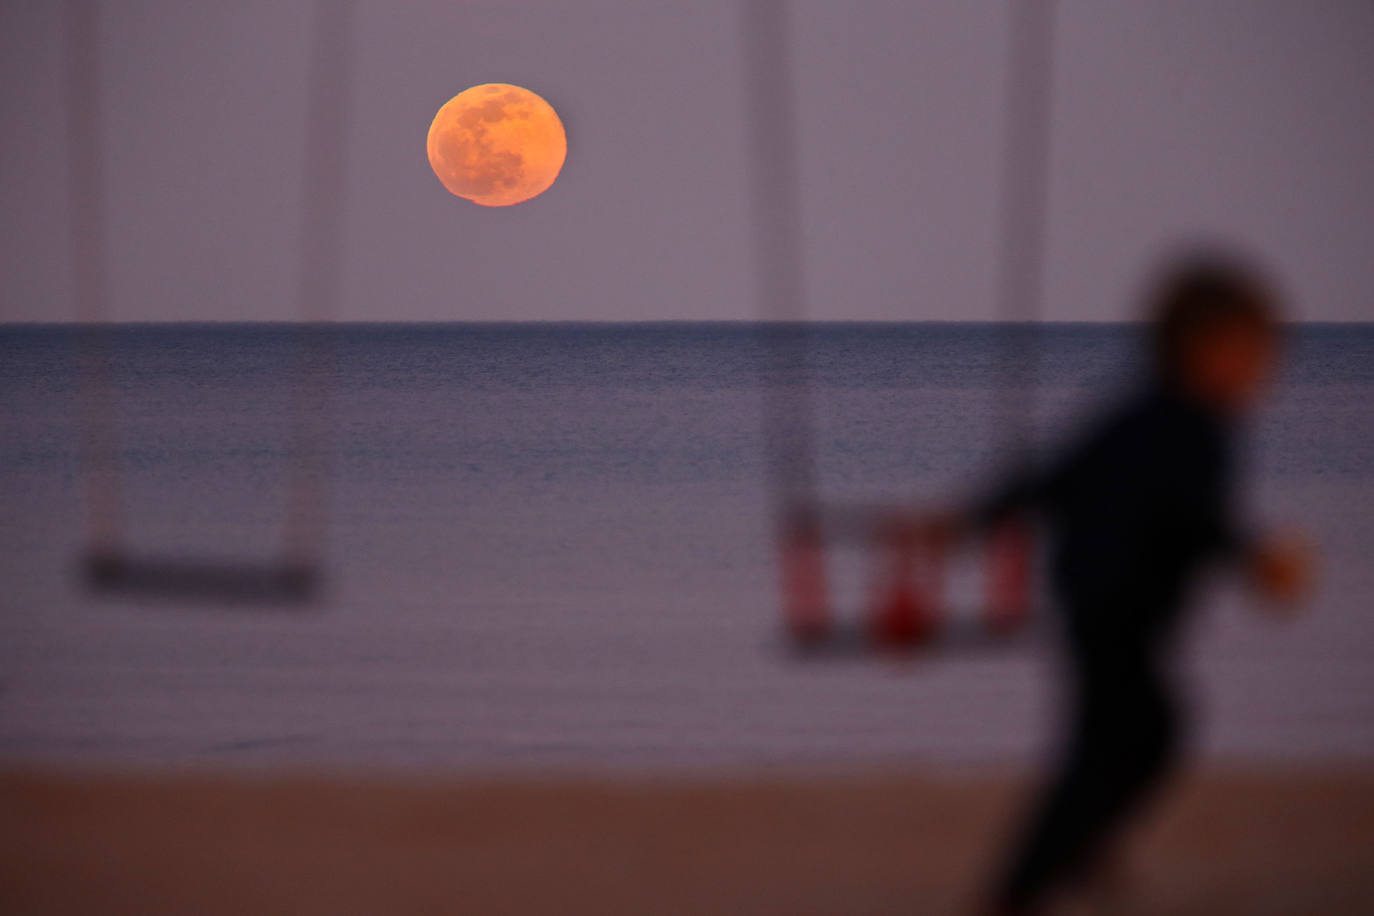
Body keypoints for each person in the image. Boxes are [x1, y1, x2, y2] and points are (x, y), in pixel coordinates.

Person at [933, 252, 1311, 914]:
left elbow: (1048, 477)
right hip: (1122, 608)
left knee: (1105, 743)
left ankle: (1073, 852)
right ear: (1208, 349)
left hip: (1087, 600)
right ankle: (1020, 887)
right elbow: (1195, 518)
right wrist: (1255, 558)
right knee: (1146, 735)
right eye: (1256, 349)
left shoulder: (1130, 414)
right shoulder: (1196, 429)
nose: (1266, 369)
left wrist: (970, 520)